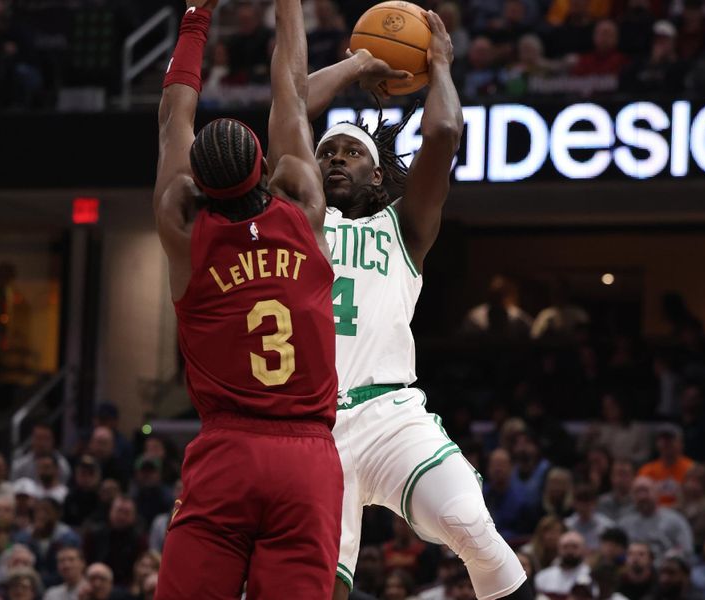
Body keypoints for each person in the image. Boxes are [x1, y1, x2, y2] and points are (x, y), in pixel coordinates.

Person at [311, 9, 530, 599]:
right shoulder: (298, 219)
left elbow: (443, 134)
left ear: (379, 177)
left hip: (390, 414)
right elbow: (288, 107)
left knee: (472, 527)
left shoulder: (405, 228)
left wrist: (439, 67)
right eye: (325, 151)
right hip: (309, 429)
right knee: (320, 589)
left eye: (350, 153)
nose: (334, 158)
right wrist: (358, 62)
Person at [152, 0, 343, 597]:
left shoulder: (185, 231)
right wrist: (288, 6)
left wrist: (195, 17)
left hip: (227, 449)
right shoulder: (304, 205)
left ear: (198, 185)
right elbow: (289, 84)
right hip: (308, 458)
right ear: (265, 166)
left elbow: (171, 118)